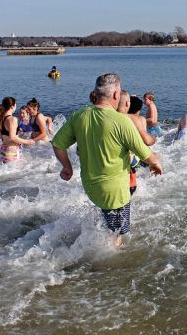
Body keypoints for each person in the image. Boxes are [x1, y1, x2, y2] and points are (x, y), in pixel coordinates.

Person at [52, 73, 163, 246]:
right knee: (118, 234)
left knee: (108, 223)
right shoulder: (122, 121)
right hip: (115, 191)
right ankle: (108, 267)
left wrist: (67, 167)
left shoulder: (79, 115)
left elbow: (58, 144)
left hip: (91, 186)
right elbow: (145, 153)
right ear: (116, 95)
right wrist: (156, 163)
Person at [118, 92, 156, 195]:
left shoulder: (111, 116)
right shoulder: (137, 119)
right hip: (136, 155)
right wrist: (154, 139)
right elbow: (146, 141)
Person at [0, 97, 35, 163]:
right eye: (15, 105)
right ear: (12, 106)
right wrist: (28, 141)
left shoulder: (0, 118)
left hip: (3, 149)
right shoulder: (12, 119)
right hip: (12, 150)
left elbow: (0, 136)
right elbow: (12, 137)